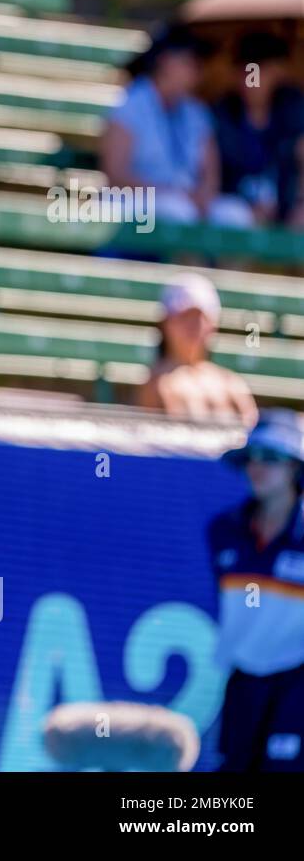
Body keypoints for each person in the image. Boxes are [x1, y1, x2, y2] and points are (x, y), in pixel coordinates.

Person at [208, 409, 304, 771]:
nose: (258, 467)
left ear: (295, 467)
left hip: (297, 682)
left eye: (272, 458)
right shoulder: (222, 531)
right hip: (243, 680)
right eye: (253, 457)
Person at [102, 26, 254, 229]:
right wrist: (167, 192)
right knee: (178, 211)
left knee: (236, 215)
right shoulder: (130, 104)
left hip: (184, 199)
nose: (196, 73)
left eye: (198, 65)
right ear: (165, 62)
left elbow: (210, 172)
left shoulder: (196, 111)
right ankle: (190, 262)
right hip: (134, 199)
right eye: (189, 63)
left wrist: (204, 197)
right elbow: (116, 175)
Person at [136, 272, 257, 427]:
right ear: (166, 323)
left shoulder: (232, 383)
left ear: (214, 325)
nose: (194, 326)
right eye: (185, 317)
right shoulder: (158, 385)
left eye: (202, 317)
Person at [212, 32, 304, 228]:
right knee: (232, 216)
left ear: (277, 72)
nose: (251, 81)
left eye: (260, 71)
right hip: (234, 209)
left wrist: (299, 204)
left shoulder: (294, 111)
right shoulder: (222, 114)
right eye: (246, 71)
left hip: (286, 210)